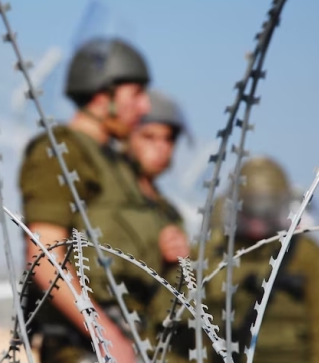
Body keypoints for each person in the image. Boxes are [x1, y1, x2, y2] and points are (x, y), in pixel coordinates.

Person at [18, 37, 189, 363]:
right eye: (136, 95)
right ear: (103, 95)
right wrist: (103, 332)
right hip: (85, 346)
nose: (145, 107)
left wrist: (170, 248)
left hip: (139, 337)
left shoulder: (120, 167)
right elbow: (44, 255)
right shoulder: (62, 152)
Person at [202, 155, 319, 363]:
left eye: (266, 213)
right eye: (250, 212)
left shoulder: (305, 255)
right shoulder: (214, 250)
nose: (257, 226)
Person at [124, 89, 194, 362]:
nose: (161, 147)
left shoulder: (167, 212)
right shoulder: (106, 198)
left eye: (168, 139)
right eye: (149, 137)